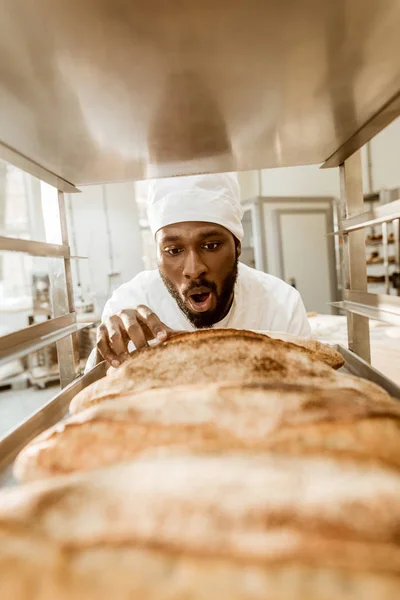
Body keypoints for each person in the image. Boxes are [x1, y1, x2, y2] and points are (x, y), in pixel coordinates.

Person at [91, 172, 311, 369]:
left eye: (211, 246)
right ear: (157, 255)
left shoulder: (281, 305)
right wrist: (105, 355)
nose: (193, 270)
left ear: (237, 246)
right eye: (174, 250)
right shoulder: (130, 302)